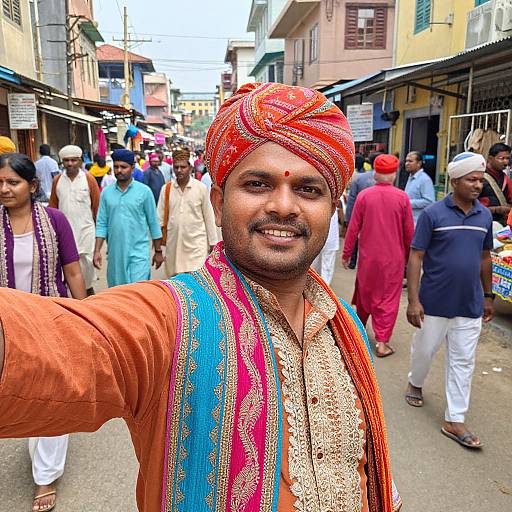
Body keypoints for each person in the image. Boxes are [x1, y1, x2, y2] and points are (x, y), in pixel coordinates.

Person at [0, 83, 401, 512]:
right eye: (257, 184)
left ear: (332, 206)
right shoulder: (170, 320)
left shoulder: (346, 327)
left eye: (308, 189)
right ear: (219, 198)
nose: (284, 206)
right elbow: (59, 344)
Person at [0, 152, 86, 512]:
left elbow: (73, 271)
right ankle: (36, 446)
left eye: (12, 182)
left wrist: (84, 315)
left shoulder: (54, 221)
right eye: (0, 182)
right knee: (21, 389)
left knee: (52, 392)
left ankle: (46, 476)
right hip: (6, 324)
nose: (4, 188)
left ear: (32, 186)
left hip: (49, 317)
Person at [405, 151, 493, 449]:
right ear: (454, 181)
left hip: (469, 304)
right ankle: (415, 381)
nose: (477, 185)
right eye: (471, 179)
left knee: (463, 361)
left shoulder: (484, 216)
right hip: (434, 302)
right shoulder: (433, 214)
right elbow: (416, 256)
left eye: (480, 180)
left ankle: (454, 419)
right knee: (425, 351)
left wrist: (489, 296)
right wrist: (413, 300)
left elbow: (484, 257)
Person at [342, 154, 414, 358]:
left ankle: (358, 332)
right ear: (393, 174)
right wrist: (411, 260)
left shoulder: (365, 196)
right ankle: (382, 343)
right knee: (388, 299)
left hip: (368, 258)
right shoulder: (402, 198)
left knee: (365, 292)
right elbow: (409, 233)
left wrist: (347, 254)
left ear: (375, 174)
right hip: (393, 259)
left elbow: (353, 228)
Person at [94, 149, 163, 287]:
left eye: (123, 167)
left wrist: (158, 251)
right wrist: (96, 251)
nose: (119, 170)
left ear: (132, 168)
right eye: (116, 167)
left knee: (138, 293)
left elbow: (153, 223)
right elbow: (102, 223)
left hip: (139, 255)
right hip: (115, 255)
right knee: (119, 296)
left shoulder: (144, 192)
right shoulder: (106, 193)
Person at [157, 148, 217, 277]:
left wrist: (213, 243)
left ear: (190, 168)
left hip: (196, 246)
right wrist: (157, 249)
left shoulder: (200, 188)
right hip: (173, 246)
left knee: (196, 281)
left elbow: (208, 216)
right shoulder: (166, 189)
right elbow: (159, 219)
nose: (179, 170)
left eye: (182, 167)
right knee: (175, 284)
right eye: (176, 167)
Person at [49, 145, 99, 296]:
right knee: (67, 266)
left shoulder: (88, 179)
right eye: (66, 161)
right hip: (64, 233)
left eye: (73, 160)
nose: (70, 164)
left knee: (87, 267)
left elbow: (97, 207)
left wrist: (99, 237)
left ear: (80, 161)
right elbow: (53, 207)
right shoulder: (57, 180)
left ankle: (88, 295)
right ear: (62, 162)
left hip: (86, 231)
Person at [344, 152, 380, 268]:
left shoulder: (359, 178)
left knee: (354, 236)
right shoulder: (386, 179)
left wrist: (348, 217)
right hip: (376, 216)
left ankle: (352, 261)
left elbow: (352, 199)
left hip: (359, 214)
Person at [478, 142, 512, 224]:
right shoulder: (479, 177)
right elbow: (470, 206)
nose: (506, 162)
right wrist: (496, 209)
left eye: (507, 158)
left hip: (500, 224)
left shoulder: (505, 179)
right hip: (481, 221)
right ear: (490, 158)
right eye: (501, 158)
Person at [404, 151, 435, 224]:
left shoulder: (424, 179)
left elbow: (429, 201)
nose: (407, 164)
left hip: (418, 222)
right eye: (406, 161)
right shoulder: (411, 177)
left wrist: (407, 203)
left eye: (410, 161)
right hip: (409, 221)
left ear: (419, 163)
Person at [311, 207, 340, 285]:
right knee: (316, 267)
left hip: (328, 240)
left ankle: (323, 291)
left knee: (325, 268)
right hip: (317, 238)